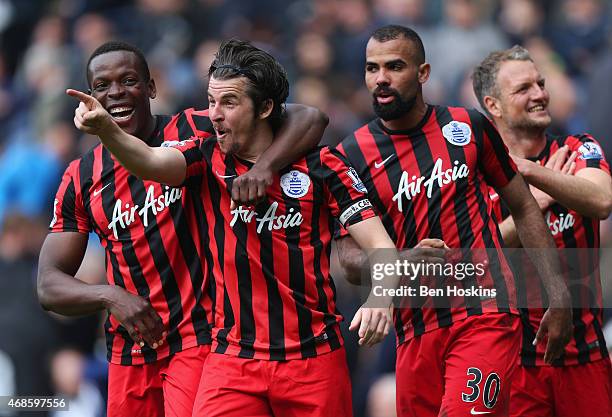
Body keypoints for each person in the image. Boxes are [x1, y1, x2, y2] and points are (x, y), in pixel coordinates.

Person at [67, 39, 400, 417]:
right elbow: (148, 161)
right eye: (211, 101)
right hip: (233, 361)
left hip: (314, 356)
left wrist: (380, 299)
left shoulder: (323, 167)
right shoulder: (205, 158)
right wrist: (107, 130)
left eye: (228, 102)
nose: (214, 114)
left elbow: (380, 246)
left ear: (266, 108)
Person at [333, 25, 573, 417]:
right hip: (415, 330)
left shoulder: (468, 127)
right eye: (372, 68)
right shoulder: (351, 155)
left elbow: (525, 206)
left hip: (485, 314)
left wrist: (558, 293)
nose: (381, 79)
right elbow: (350, 260)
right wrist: (402, 258)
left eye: (395, 66)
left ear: (423, 73)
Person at [473, 45, 612, 417]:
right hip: (514, 363)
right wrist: (533, 203)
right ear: (494, 105)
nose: (539, 94)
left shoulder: (577, 148)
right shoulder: (474, 175)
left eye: (541, 83)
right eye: (523, 89)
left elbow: (601, 201)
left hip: (586, 356)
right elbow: (474, 257)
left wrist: (532, 172)